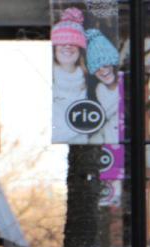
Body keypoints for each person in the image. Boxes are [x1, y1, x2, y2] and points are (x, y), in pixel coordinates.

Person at [51, 7, 89, 144]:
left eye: (73, 42)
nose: (68, 46)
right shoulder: (45, 81)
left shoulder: (92, 82)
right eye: (62, 42)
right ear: (55, 48)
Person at [86, 29, 122, 145]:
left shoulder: (125, 85)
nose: (102, 71)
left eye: (105, 63)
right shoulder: (96, 92)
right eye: (96, 67)